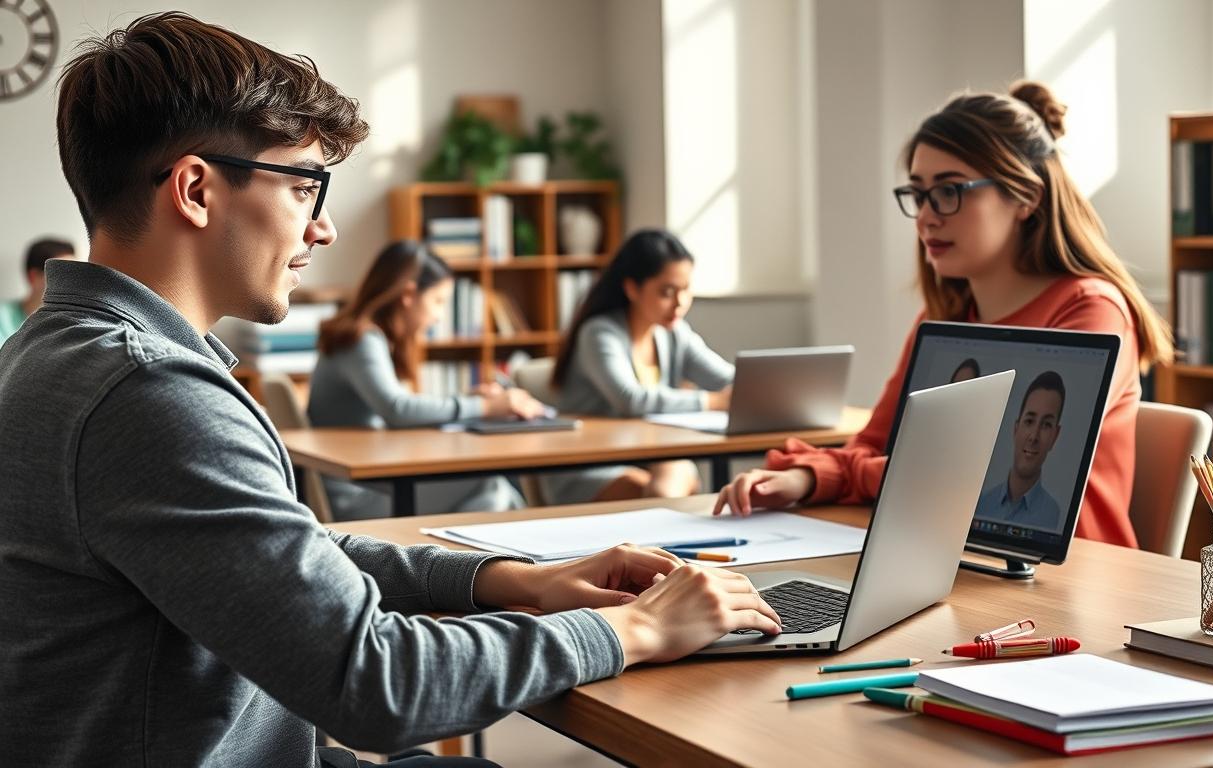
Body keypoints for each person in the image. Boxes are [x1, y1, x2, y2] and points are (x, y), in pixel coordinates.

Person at [0, 13, 781, 767]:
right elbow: (375, 682)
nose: (324, 228)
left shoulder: (52, 354)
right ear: (197, 190)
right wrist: (634, 631)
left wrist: (507, 579)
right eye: (305, 186)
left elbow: (286, 557)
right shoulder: (150, 394)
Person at [715, 81, 1172, 548]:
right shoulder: (945, 318)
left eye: (950, 191)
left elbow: (989, 473)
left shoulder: (1092, 310)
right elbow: (876, 444)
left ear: (1026, 197)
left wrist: (847, 474)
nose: (926, 217)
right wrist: (809, 478)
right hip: (945, 554)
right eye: (919, 194)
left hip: (1074, 577)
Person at [308, 239, 543, 519]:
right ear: (409, 294)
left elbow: (398, 407)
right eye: (438, 301)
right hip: (358, 497)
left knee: (494, 491)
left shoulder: (366, 338)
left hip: (370, 484)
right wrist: (487, 407)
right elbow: (398, 409)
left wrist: (471, 401)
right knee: (489, 484)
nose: (439, 316)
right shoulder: (362, 340)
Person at [543, 228, 734, 504]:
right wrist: (713, 401)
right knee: (660, 489)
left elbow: (728, 379)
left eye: (686, 290)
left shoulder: (674, 333)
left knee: (675, 472)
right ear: (632, 288)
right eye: (667, 292)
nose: (680, 303)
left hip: (649, 456)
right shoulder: (599, 333)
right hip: (590, 465)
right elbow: (630, 400)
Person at [974, 370, 1066, 530]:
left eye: (1046, 425)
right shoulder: (981, 504)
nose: (1034, 436)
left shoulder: (1054, 516)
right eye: (1029, 421)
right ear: (1016, 429)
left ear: (1055, 437)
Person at [0, 237, 77, 344]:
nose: (71, 282)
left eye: (74, 274)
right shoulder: (3, 317)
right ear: (34, 277)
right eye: (61, 275)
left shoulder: (74, 324)